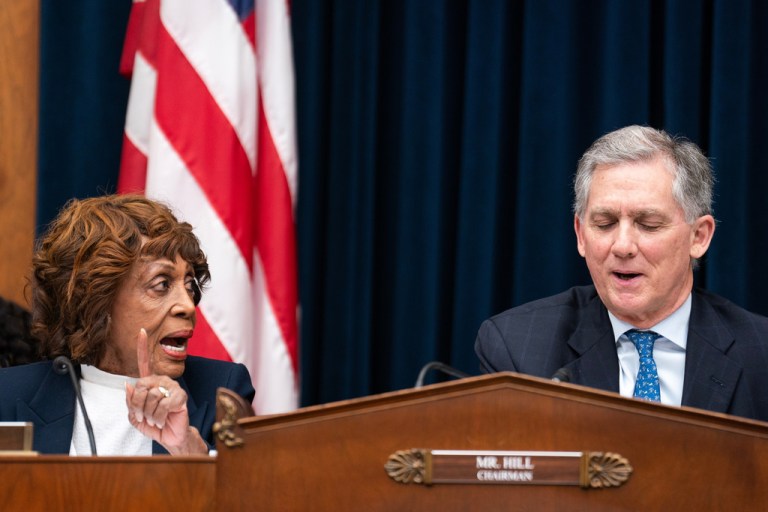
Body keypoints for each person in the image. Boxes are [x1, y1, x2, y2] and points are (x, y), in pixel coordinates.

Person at [475, 125, 768, 422]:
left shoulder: (760, 354)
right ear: (580, 234)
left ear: (699, 237)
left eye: (648, 224)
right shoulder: (518, 349)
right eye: (605, 223)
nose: (623, 246)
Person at [0, 195, 255, 455]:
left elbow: (241, 492)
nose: (188, 306)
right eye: (162, 284)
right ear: (97, 302)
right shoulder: (8, 395)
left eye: (189, 285)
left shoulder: (222, 392)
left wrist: (186, 449)